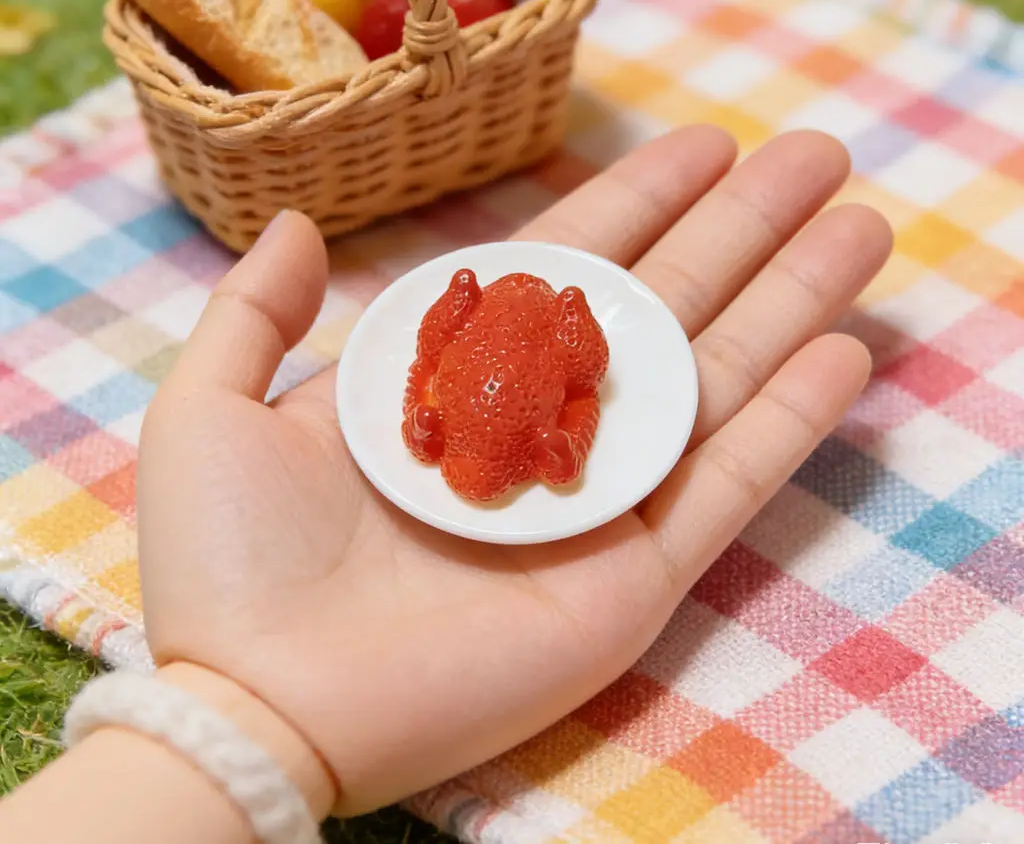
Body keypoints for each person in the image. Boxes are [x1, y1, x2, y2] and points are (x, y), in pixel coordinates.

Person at [0, 126, 892, 843]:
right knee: (499, 395)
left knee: (534, 399)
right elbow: (474, 356)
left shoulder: (558, 338)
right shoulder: (492, 352)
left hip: (499, 398)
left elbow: (564, 369)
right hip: (473, 411)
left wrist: (247, 715)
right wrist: (262, 711)